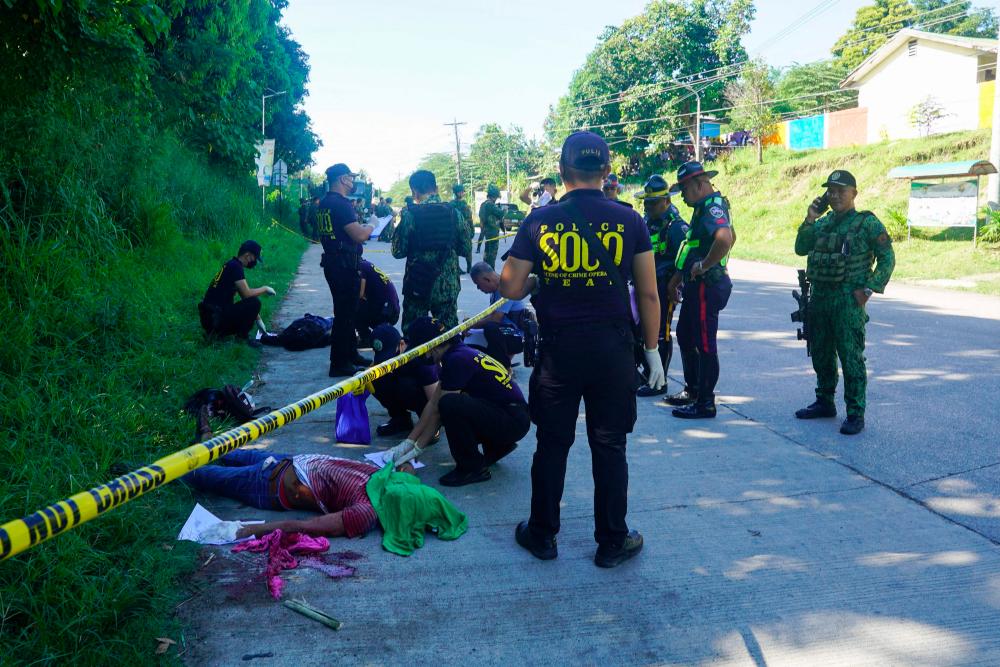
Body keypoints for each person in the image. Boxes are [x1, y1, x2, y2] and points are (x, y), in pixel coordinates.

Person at [500, 131, 665, 568]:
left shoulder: (539, 220)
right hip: (613, 350)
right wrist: (652, 350)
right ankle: (612, 541)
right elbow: (649, 295)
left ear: (561, 171)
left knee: (552, 443)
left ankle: (542, 534)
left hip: (559, 350)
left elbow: (510, 286)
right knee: (609, 443)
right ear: (607, 172)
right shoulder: (631, 221)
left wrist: (540, 281)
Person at [793, 170, 895, 435]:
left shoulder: (866, 223)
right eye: (830, 191)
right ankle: (824, 401)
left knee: (850, 358)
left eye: (841, 190)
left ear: (854, 193)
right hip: (821, 298)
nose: (835, 195)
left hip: (848, 301)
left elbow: (887, 258)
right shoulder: (823, 223)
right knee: (821, 353)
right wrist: (810, 217)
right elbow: (801, 247)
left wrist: (869, 290)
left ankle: (855, 413)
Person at [384, 317, 530, 488]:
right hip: (512, 416)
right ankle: (497, 446)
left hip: (512, 420)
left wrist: (417, 450)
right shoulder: (458, 353)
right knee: (452, 403)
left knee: (451, 405)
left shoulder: (456, 360)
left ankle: (472, 468)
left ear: (431, 345)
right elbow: (432, 403)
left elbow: (439, 410)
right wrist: (408, 443)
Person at [665, 161, 735, 419]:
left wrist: (705, 265)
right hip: (696, 286)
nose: (682, 195)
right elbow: (727, 237)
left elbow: (725, 239)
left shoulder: (712, 207)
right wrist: (678, 279)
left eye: (684, 189)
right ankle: (693, 390)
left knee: (705, 344)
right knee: (685, 334)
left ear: (699, 184)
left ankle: (705, 402)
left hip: (708, 285)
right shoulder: (702, 208)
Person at [391, 170, 471, 331]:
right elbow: (466, 247)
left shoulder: (409, 215)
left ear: (414, 191)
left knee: (413, 335)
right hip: (447, 286)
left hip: (417, 283)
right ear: (436, 188)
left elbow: (397, 251)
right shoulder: (454, 213)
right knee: (447, 336)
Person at [317, 163, 375, 377]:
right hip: (343, 264)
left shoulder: (324, 202)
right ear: (343, 179)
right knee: (344, 315)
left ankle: (350, 354)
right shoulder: (341, 204)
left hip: (334, 263)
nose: (353, 181)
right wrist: (372, 226)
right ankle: (339, 362)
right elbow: (359, 235)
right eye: (351, 177)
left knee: (347, 312)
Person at [635, 174, 688, 397]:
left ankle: (660, 380)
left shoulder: (676, 226)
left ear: (666, 201)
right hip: (645, 285)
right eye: (646, 203)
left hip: (664, 287)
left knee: (660, 332)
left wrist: (674, 285)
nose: (648, 207)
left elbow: (684, 258)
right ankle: (647, 373)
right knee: (642, 330)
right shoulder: (647, 222)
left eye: (653, 203)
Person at [369, 324, 440, 437]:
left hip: (429, 395)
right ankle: (400, 419)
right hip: (408, 390)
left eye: (391, 356)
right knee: (373, 377)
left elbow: (437, 401)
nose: (388, 361)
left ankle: (428, 425)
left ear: (402, 344)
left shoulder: (422, 359)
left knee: (406, 385)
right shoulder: (394, 352)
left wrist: (430, 428)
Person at [199, 240, 275, 344]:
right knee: (255, 302)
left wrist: (258, 319)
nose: (254, 261)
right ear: (248, 255)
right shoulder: (236, 267)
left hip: (210, 318)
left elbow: (245, 298)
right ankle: (241, 338)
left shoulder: (232, 264)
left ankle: (217, 333)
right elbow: (247, 294)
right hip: (215, 318)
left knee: (252, 302)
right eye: (254, 258)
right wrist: (265, 288)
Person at [467, 261, 528, 369]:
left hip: (517, 336)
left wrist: (471, 325)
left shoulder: (506, 287)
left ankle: (503, 366)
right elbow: (489, 314)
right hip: (507, 331)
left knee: (490, 328)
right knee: (477, 332)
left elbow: (495, 318)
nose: (478, 288)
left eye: (478, 284)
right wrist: (470, 322)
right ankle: (497, 361)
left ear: (487, 279)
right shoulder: (497, 290)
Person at [357, 258, 400, 345]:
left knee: (353, 304)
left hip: (385, 313)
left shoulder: (360, 267)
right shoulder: (367, 264)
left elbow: (360, 294)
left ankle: (365, 338)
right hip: (392, 311)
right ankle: (382, 332)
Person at [477, 184, 507, 268]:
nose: (496, 199)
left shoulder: (483, 204)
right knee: (492, 254)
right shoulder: (490, 205)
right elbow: (501, 214)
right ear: (493, 196)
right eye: (496, 197)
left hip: (486, 231)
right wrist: (504, 210)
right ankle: (491, 271)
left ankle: (485, 270)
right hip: (492, 232)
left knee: (487, 252)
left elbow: (481, 216)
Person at [450, 183, 475, 274]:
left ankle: (469, 267)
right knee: (455, 248)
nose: (462, 193)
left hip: (464, 230)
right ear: (456, 193)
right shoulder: (452, 204)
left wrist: (472, 230)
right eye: (461, 192)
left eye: (462, 192)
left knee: (468, 248)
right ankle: (458, 268)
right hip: (457, 230)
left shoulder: (462, 203)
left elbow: (469, 218)